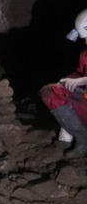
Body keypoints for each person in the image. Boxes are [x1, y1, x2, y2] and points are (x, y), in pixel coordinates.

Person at [39, 9, 87, 158]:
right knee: (49, 91)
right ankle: (83, 139)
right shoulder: (85, 54)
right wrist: (68, 81)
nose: (86, 41)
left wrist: (81, 80)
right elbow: (79, 74)